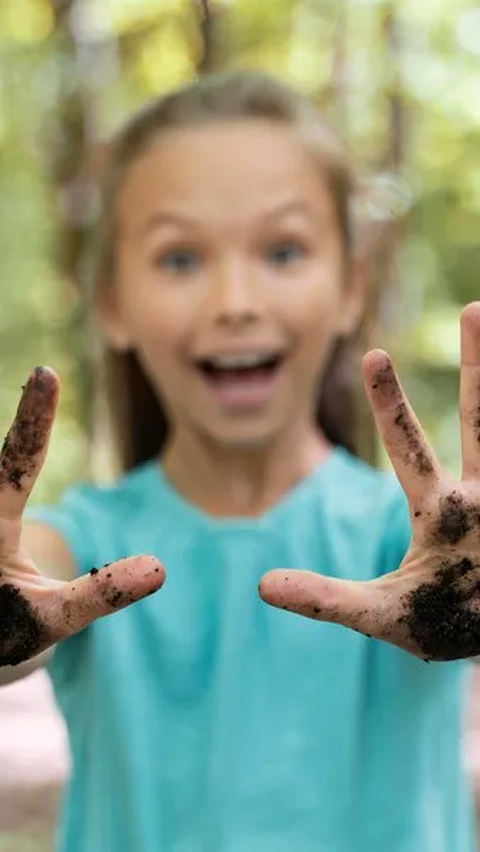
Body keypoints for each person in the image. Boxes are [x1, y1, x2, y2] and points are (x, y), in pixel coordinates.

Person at [0, 70, 478, 852]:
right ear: (114, 302)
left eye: (283, 250)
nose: (234, 300)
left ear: (351, 285)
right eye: (180, 259)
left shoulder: (422, 549)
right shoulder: (80, 545)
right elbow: (27, 597)